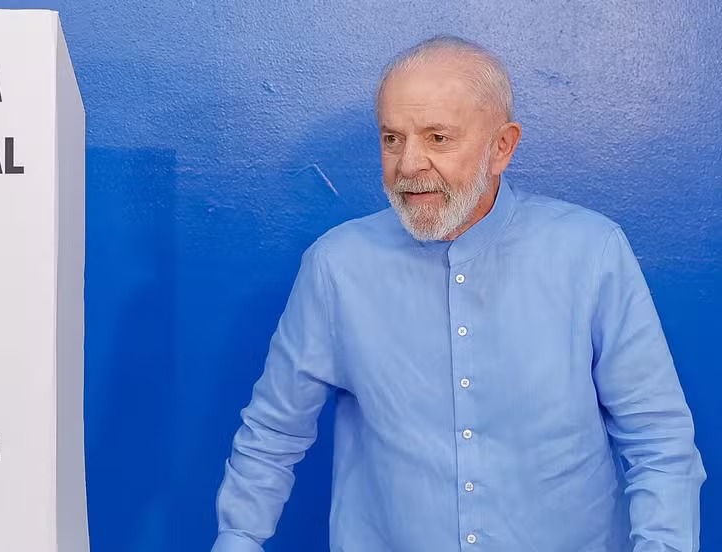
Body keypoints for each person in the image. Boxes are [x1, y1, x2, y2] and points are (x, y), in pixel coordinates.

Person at [211, 35, 706, 552]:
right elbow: (272, 435)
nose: (409, 164)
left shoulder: (591, 252)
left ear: (502, 146)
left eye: (437, 138)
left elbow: (658, 440)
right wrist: (238, 538)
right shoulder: (336, 266)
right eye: (392, 139)